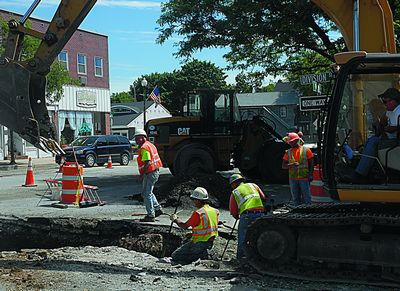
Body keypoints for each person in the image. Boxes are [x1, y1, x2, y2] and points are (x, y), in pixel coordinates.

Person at [354, 88, 400, 181]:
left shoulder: (398, 111)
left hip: (395, 143)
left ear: (393, 101)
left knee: (373, 142)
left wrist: (386, 129)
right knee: (371, 140)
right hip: (390, 140)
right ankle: (362, 166)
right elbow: (383, 120)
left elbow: (393, 129)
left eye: (385, 102)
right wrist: (380, 123)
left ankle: (360, 174)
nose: (384, 104)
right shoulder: (391, 110)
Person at [170, 187, 219, 264]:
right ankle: (203, 253)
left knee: (175, 255)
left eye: (194, 200)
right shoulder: (215, 211)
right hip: (210, 242)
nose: (193, 202)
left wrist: (175, 219)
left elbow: (184, 226)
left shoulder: (198, 213)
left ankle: (198, 256)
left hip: (199, 243)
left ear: (198, 200)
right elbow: (207, 225)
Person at [228, 174, 266, 261]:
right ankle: (259, 259)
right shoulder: (253, 185)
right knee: (258, 236)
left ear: (234, 183)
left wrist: (237, 216)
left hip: (247, 216)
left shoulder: (235, 192)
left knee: (243, 238)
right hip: (260, 215)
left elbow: (233, 211)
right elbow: (263, 197)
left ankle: (240, 259)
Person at [135, 129, 163, 222]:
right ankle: (157, 209)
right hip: (154, 171)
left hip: (150, 172)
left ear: (143, 138)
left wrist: (142, 174)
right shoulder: (150, 145)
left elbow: (147, 162)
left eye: (138, 138)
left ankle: (151, 215)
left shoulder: (144, 148)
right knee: (149, 192)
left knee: (146, 194)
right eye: (136, 138)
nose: (136, 140)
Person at [282, 132, 314, 206]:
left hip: (304, 178)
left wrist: (311, 174)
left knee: (307, 198)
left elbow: (312, 163)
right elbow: (283, 166)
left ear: (296, 141)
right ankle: (297, 213)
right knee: (296, 198)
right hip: (293, 179)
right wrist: (291, 165)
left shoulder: (306, 150)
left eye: (291, 142)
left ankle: (308, 212)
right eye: (289, 142)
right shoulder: (288, 152)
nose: (290, 143)